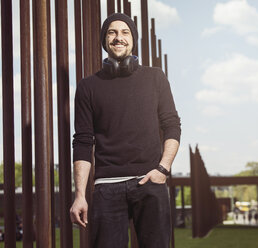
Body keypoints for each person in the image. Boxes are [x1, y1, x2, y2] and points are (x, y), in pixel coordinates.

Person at [69, 13, 181, 248]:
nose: (118, 37)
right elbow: (82, 141)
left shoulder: (155, 78)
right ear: (104, 40)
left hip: (150, 182)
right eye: (112, 32)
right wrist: (80, 194)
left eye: (124, 32)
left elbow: (172, 125)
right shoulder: (88, 86)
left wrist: (163, 169)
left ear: (133, 39)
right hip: (106, 190)